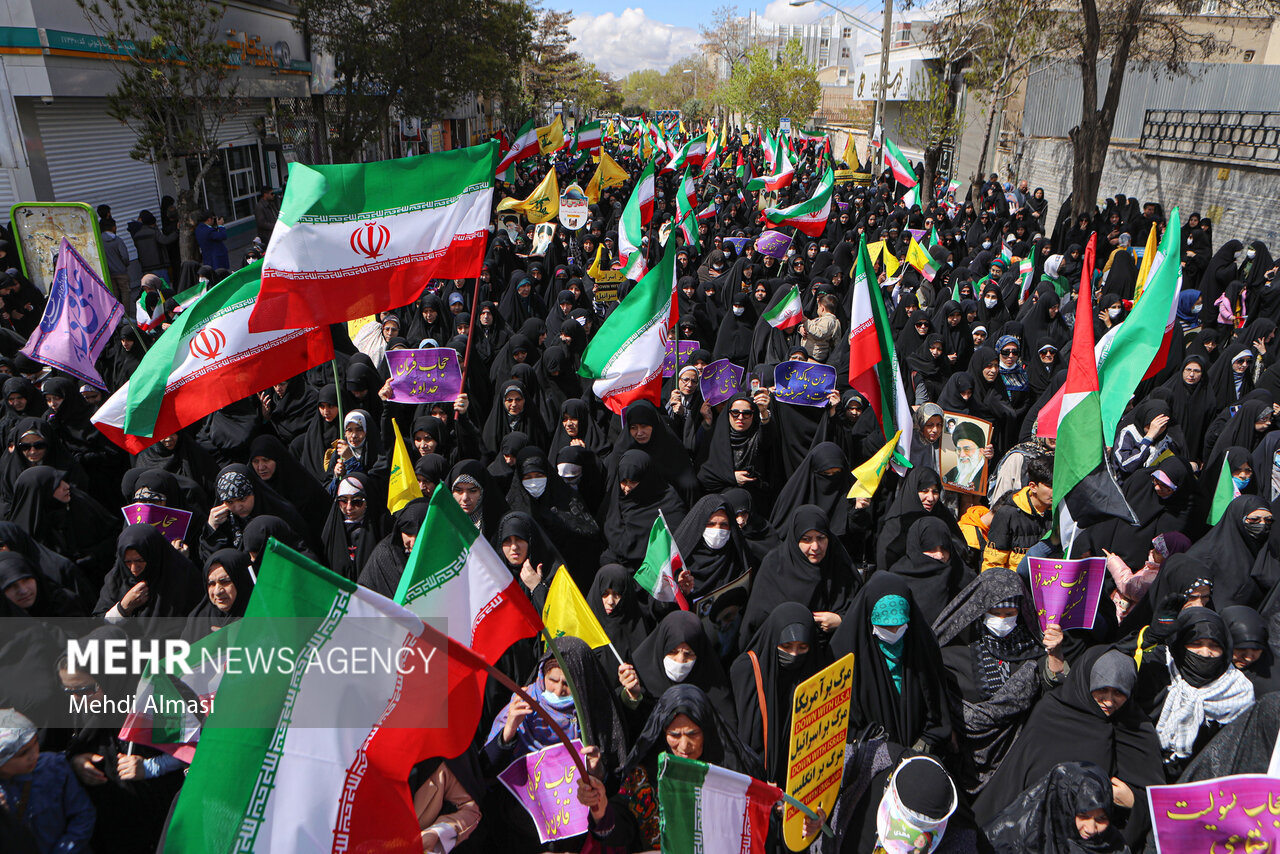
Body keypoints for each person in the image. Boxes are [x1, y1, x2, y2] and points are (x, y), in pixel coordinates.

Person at [0, 708, 95, 853]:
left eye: (35, 743)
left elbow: (83, 814)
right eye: (23, 753)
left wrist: (63, 850)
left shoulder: (54, 766)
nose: (33, 755)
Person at [983, 761, 1128, 854]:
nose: (1091, 828)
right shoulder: (1010, 839)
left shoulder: (1112, 845)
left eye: (1101, 818)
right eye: (1083, 816)